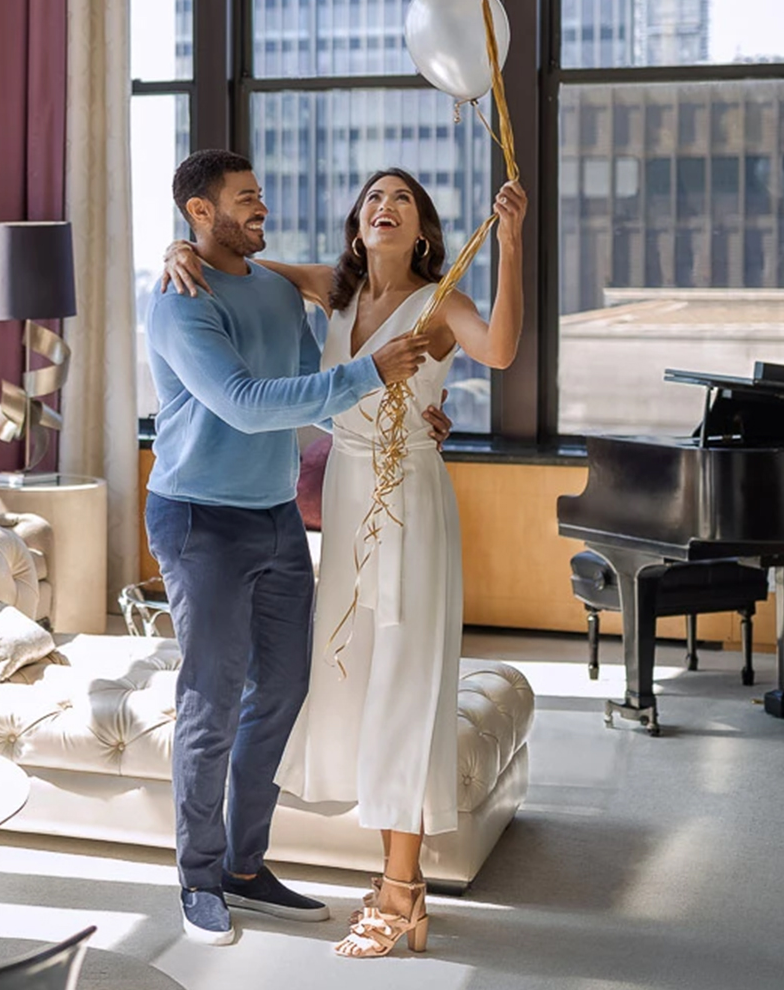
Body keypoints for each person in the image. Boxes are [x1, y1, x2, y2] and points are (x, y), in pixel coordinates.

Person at [163, 166, 527, 958]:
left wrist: (509, 239)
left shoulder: (427, 299)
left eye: (401, 199)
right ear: (357, 226)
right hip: (291, 505)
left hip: (365, 506)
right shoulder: (311, 292)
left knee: (362, 679)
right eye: (372, 198)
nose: (384, 207)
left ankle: (371, 884)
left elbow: (497, 350)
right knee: (304, 681)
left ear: (424, 226)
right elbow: (249, 317)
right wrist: (175, 248)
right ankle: (225, 875)